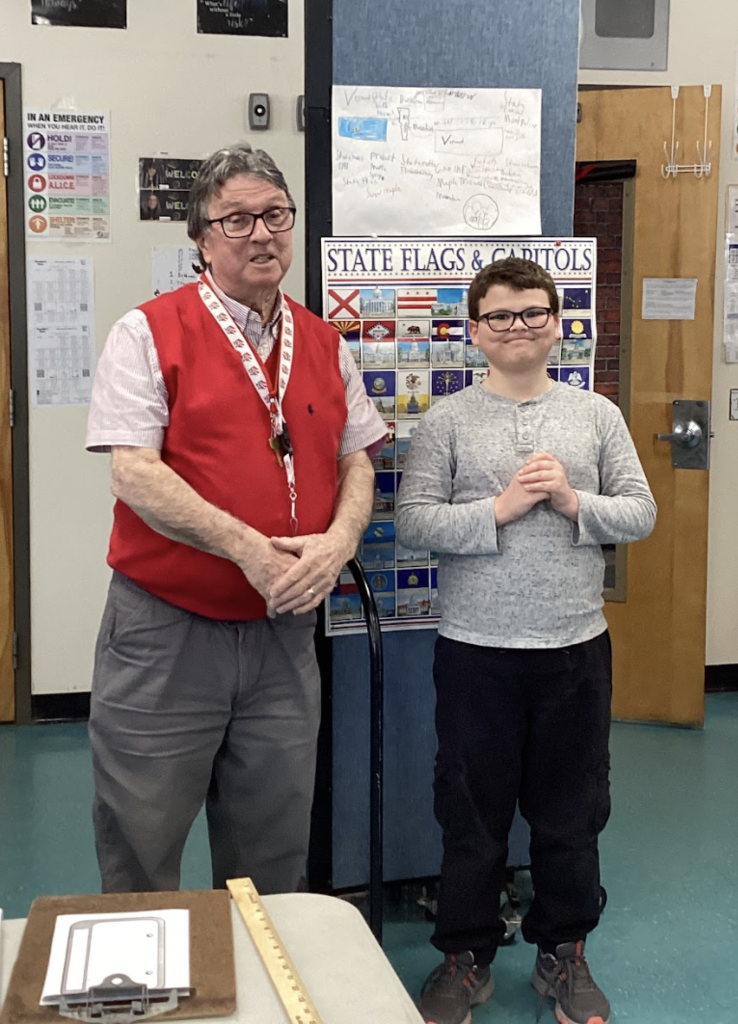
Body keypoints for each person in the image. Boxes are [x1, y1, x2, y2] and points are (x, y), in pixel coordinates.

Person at [86, 143, 386, 895]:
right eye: (238, 219)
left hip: (284, 635)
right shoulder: (146, 333)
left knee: (274, 844)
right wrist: (249, 549)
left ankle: (260, 994)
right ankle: (146, 997)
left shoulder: (323, 342)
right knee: (143, 836)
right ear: (202, 238)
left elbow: (357, 460)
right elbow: (135, 474)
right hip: (166, 632)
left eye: (275, 216)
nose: (261, 234)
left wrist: (340, 540)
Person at [396, 258, 657, 1024]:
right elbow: (413, 523)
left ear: (556, 323)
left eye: (533, 312)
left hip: (574, 650)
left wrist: (576, 502)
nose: (518, 326)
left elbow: (639, 513)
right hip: (475, 650)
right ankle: (465, 957)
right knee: (470, 813)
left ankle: (562, 953)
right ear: (475, 331)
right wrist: (499, 510)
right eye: (500, 316)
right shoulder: (445, 420)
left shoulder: (595, 416)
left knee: (572, 812)